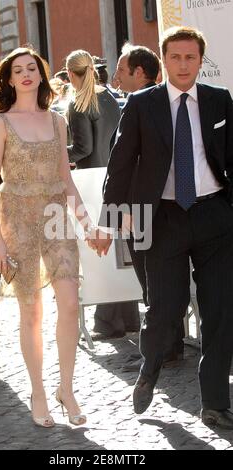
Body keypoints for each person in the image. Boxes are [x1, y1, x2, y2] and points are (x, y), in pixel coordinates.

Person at [98, 26, 233, 429]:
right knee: (164, 309)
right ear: (165, 58)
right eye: (175, 57)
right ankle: (149, 369)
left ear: (200, 61)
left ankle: (214, 402)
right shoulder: (143, 103)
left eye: (191, 57)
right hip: (163, 218)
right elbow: (120, 163)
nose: (183, 64)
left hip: (214, 217)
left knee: (221, 310)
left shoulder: (219, 100)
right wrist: (111, 220)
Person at [0, 46, 102, 428]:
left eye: (32, 67)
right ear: (9, 78)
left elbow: (66, 180)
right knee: (31, 310)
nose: (26, 74)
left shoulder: (57, 121)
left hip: (55, 217)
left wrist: (87, 224)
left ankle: (66, 389)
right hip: (15, 219)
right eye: (18, 70)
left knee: (69, 303)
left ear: (41, 74)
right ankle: (38, 390)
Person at [116, 43, 185, 370]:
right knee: (160, 280)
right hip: (155, 207)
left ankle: (164, 349)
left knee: (151, 280)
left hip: (142, 209)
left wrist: (116, 214)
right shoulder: (160, 102)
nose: (115, 76)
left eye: (121, 69)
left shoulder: (141, 104)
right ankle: (169, 344)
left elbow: (125, 163)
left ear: (139, 72)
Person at [66, 49, 140, 339]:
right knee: (121, 250)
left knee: (101, 252)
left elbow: (82, 148)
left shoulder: (78, 103)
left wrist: (58, 152)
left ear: (72, 74)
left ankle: (108, 322)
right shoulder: (108, 96)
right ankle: (130, 318)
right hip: (116, 177)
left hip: (91, 181)